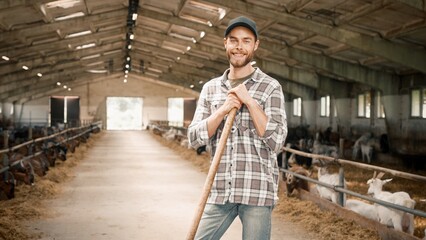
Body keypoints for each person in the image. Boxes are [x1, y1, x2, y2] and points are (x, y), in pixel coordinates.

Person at [188, 16, 287, 240]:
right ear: (225, 43)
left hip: (257, 192)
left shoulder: (270, 87)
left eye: (246, 41)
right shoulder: (211, 88)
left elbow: (277, 141)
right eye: (233, 41)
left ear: (255, 45)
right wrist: (222, 110)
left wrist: (250, 102)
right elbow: (194, 138)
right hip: (220, 189)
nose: (239, 47)